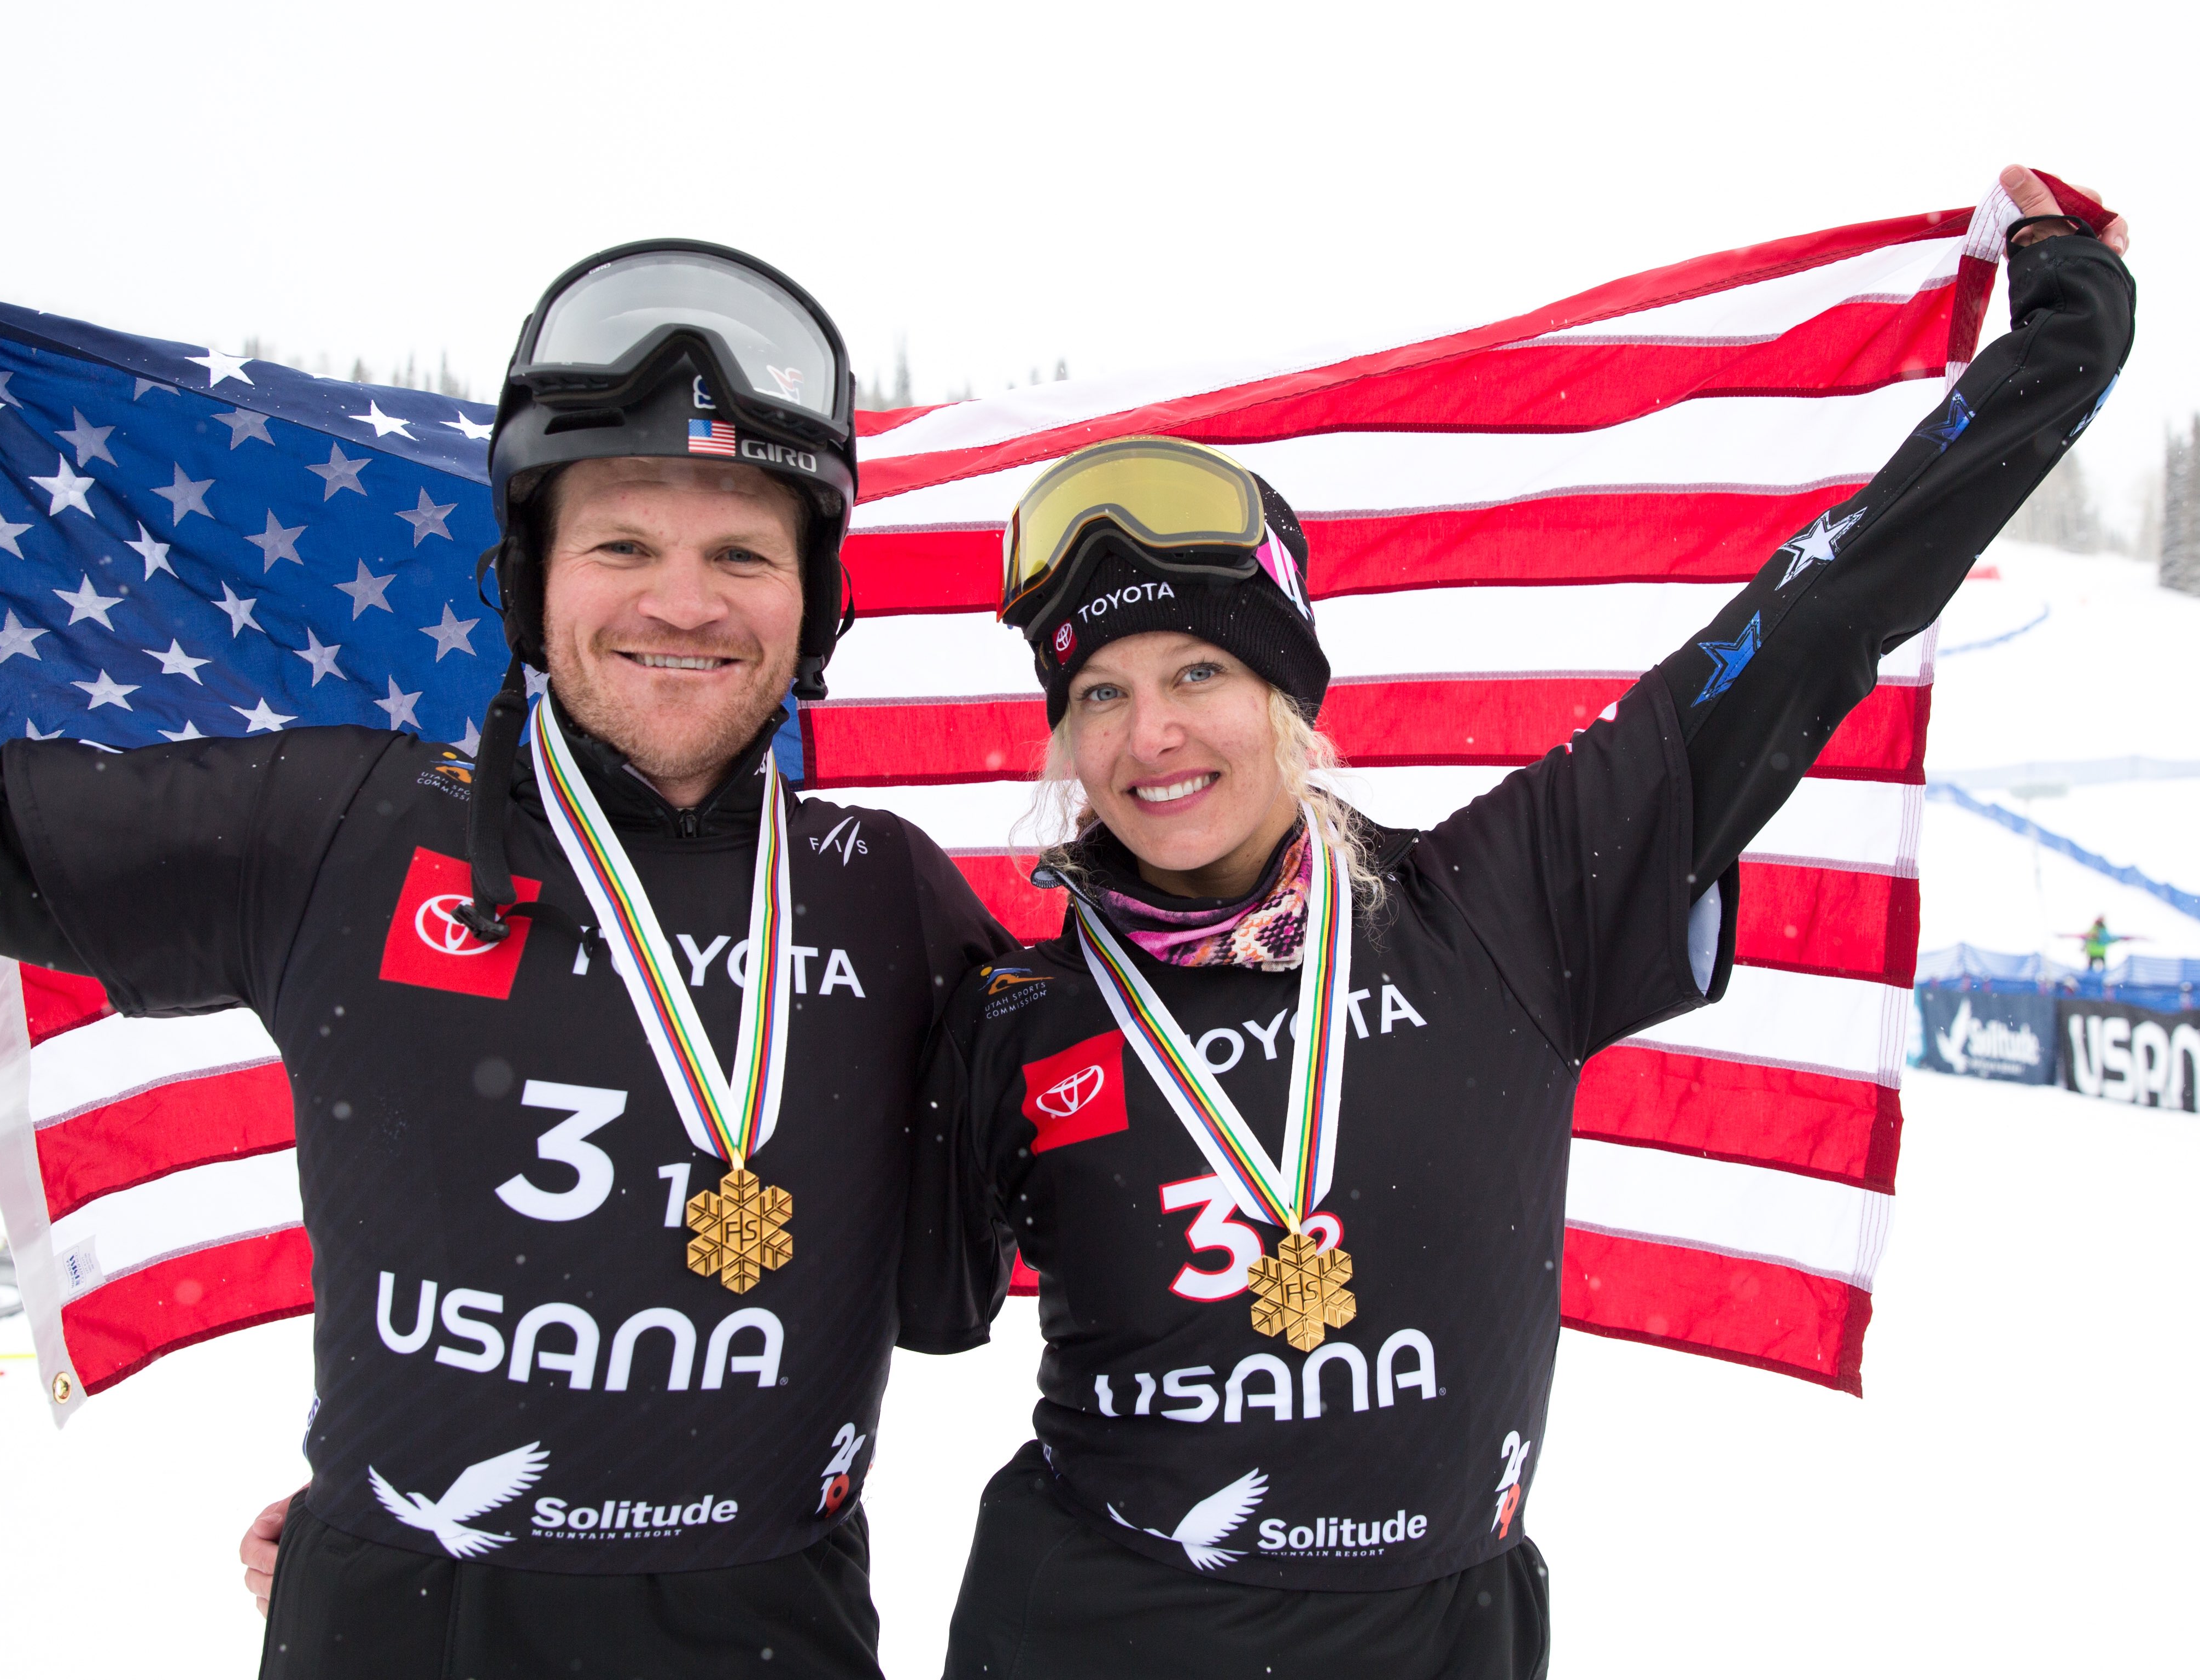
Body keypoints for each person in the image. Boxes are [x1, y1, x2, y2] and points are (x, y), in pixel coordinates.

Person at [0, 239, 1009, 1676]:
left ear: (818, 606)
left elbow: (1150, 1182)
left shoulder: (895, 903)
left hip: (770, 1639)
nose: (680, 603)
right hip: (394, 1631)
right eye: (622, 543)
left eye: (742, 552)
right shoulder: (346, 833)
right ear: (530, 585)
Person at [900, 167, 2132, 1678]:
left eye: (1200, 673)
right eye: (1101, 693)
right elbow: (914, 1298)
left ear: (1290, 702)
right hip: (1087, 1635)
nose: (1152, 732)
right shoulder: (1017, 1012)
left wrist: (2058, 340)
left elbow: (1819, 616)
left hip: (1443, 1640)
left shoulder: (1501, 901)